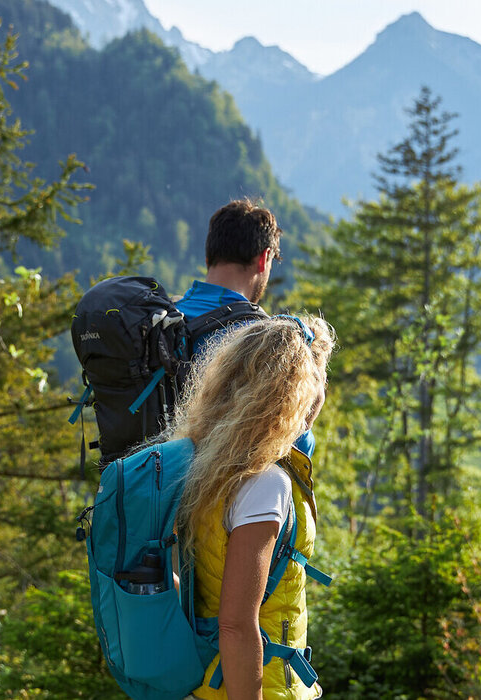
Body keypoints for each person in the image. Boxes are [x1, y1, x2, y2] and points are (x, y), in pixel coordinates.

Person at [168, 314, 335, 700]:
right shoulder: (266, 483)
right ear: (299, 393)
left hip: (204, 681)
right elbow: (238, 626)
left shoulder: (201, 463)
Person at [177, 198, 315, 457]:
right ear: (264, 259)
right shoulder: (261, 340)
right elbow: (294, 448)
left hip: (147, 480)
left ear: (208, 257)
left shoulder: (167, 316)